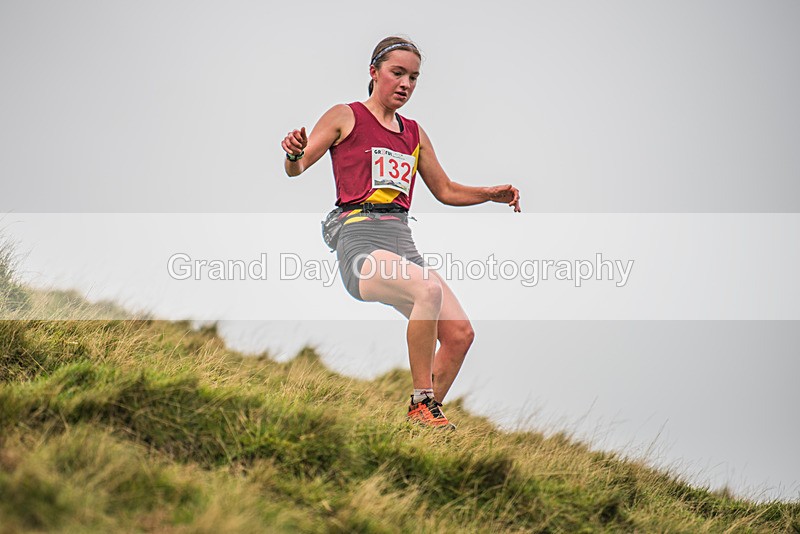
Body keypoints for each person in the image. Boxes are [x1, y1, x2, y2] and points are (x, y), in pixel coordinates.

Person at [281, 36, 520, 430]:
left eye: (413, 77)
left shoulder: (414, 133)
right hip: (359, 239)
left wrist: (489, 194)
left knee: (460, 334)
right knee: (427, 290)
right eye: (397, 73)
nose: (405, 84)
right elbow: (298, 166)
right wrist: (292, 152)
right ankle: (422, 401)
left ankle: (417, 430)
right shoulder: (346, 115)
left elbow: (445, 191)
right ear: (374, 72)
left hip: (402, 242)